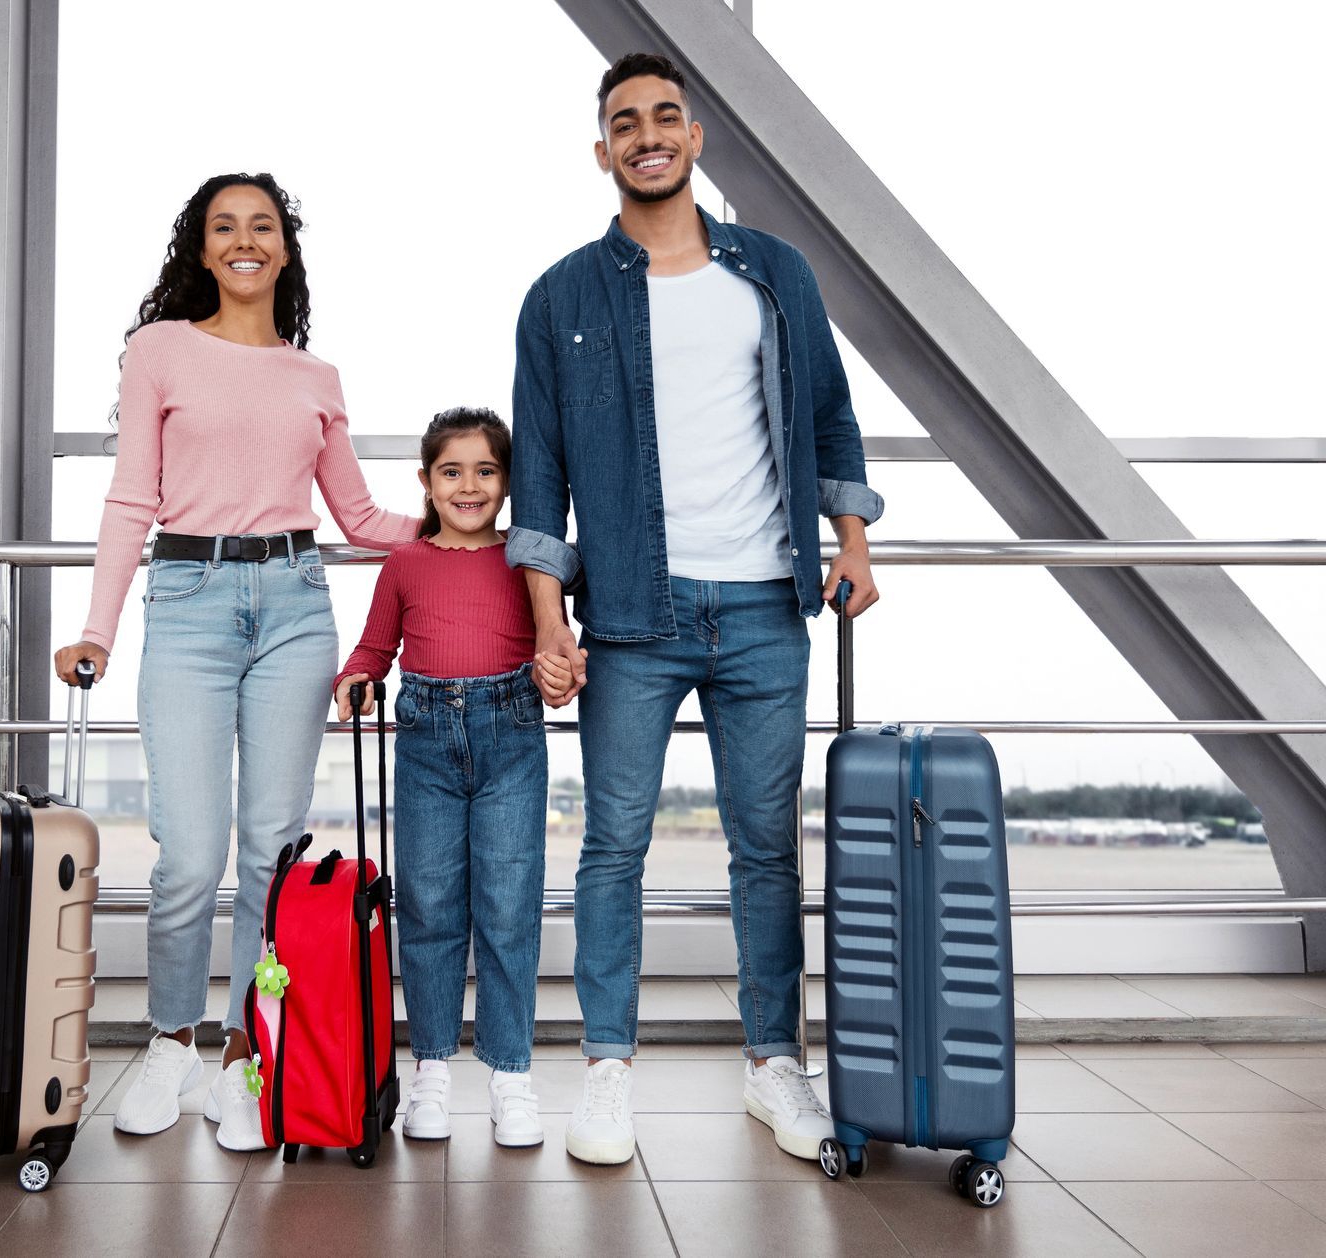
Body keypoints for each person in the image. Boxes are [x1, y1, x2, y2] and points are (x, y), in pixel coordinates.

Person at [509, 53, 884, 1166]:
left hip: (767, 603)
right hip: (628, 612)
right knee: (613, 845)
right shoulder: (562, 295)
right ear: (603, 151)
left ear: (696, 136)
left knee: (766, 847)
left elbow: (829, 413)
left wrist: (853, 541)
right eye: (625, 122)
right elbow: (540, 479)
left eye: (665, 116)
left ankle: (775, 1062)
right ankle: (609, 1069)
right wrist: (547, 623)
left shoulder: (774, 274)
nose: (648, 134)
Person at [53, 173, 418, 1153]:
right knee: (190, 855)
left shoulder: (316, 377)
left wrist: (471, 528)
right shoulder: (159, 350)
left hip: (297, 606)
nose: (245, 240)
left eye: (263, 226)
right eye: (226, 227)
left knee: (271, 850)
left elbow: (362, 518)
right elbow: (133, 498)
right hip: (188, 606)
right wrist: (98, 627)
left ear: (284, 249)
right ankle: (169, 1039)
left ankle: (247, 1058)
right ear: (202, 248)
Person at [333, 407, 548, 1149]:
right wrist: (357, 677)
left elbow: (558, 641)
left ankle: (511, 1077)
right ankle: (430, 1070)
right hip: (424, 738)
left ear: (508, 480)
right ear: (425, 482)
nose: (469, 486)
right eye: (451, 472)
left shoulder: (528, 560)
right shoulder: (406, 564)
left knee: (509, 904)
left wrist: (561, 667)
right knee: (426, 905)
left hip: (512, 734)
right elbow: (374, 646)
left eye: (486, 471)